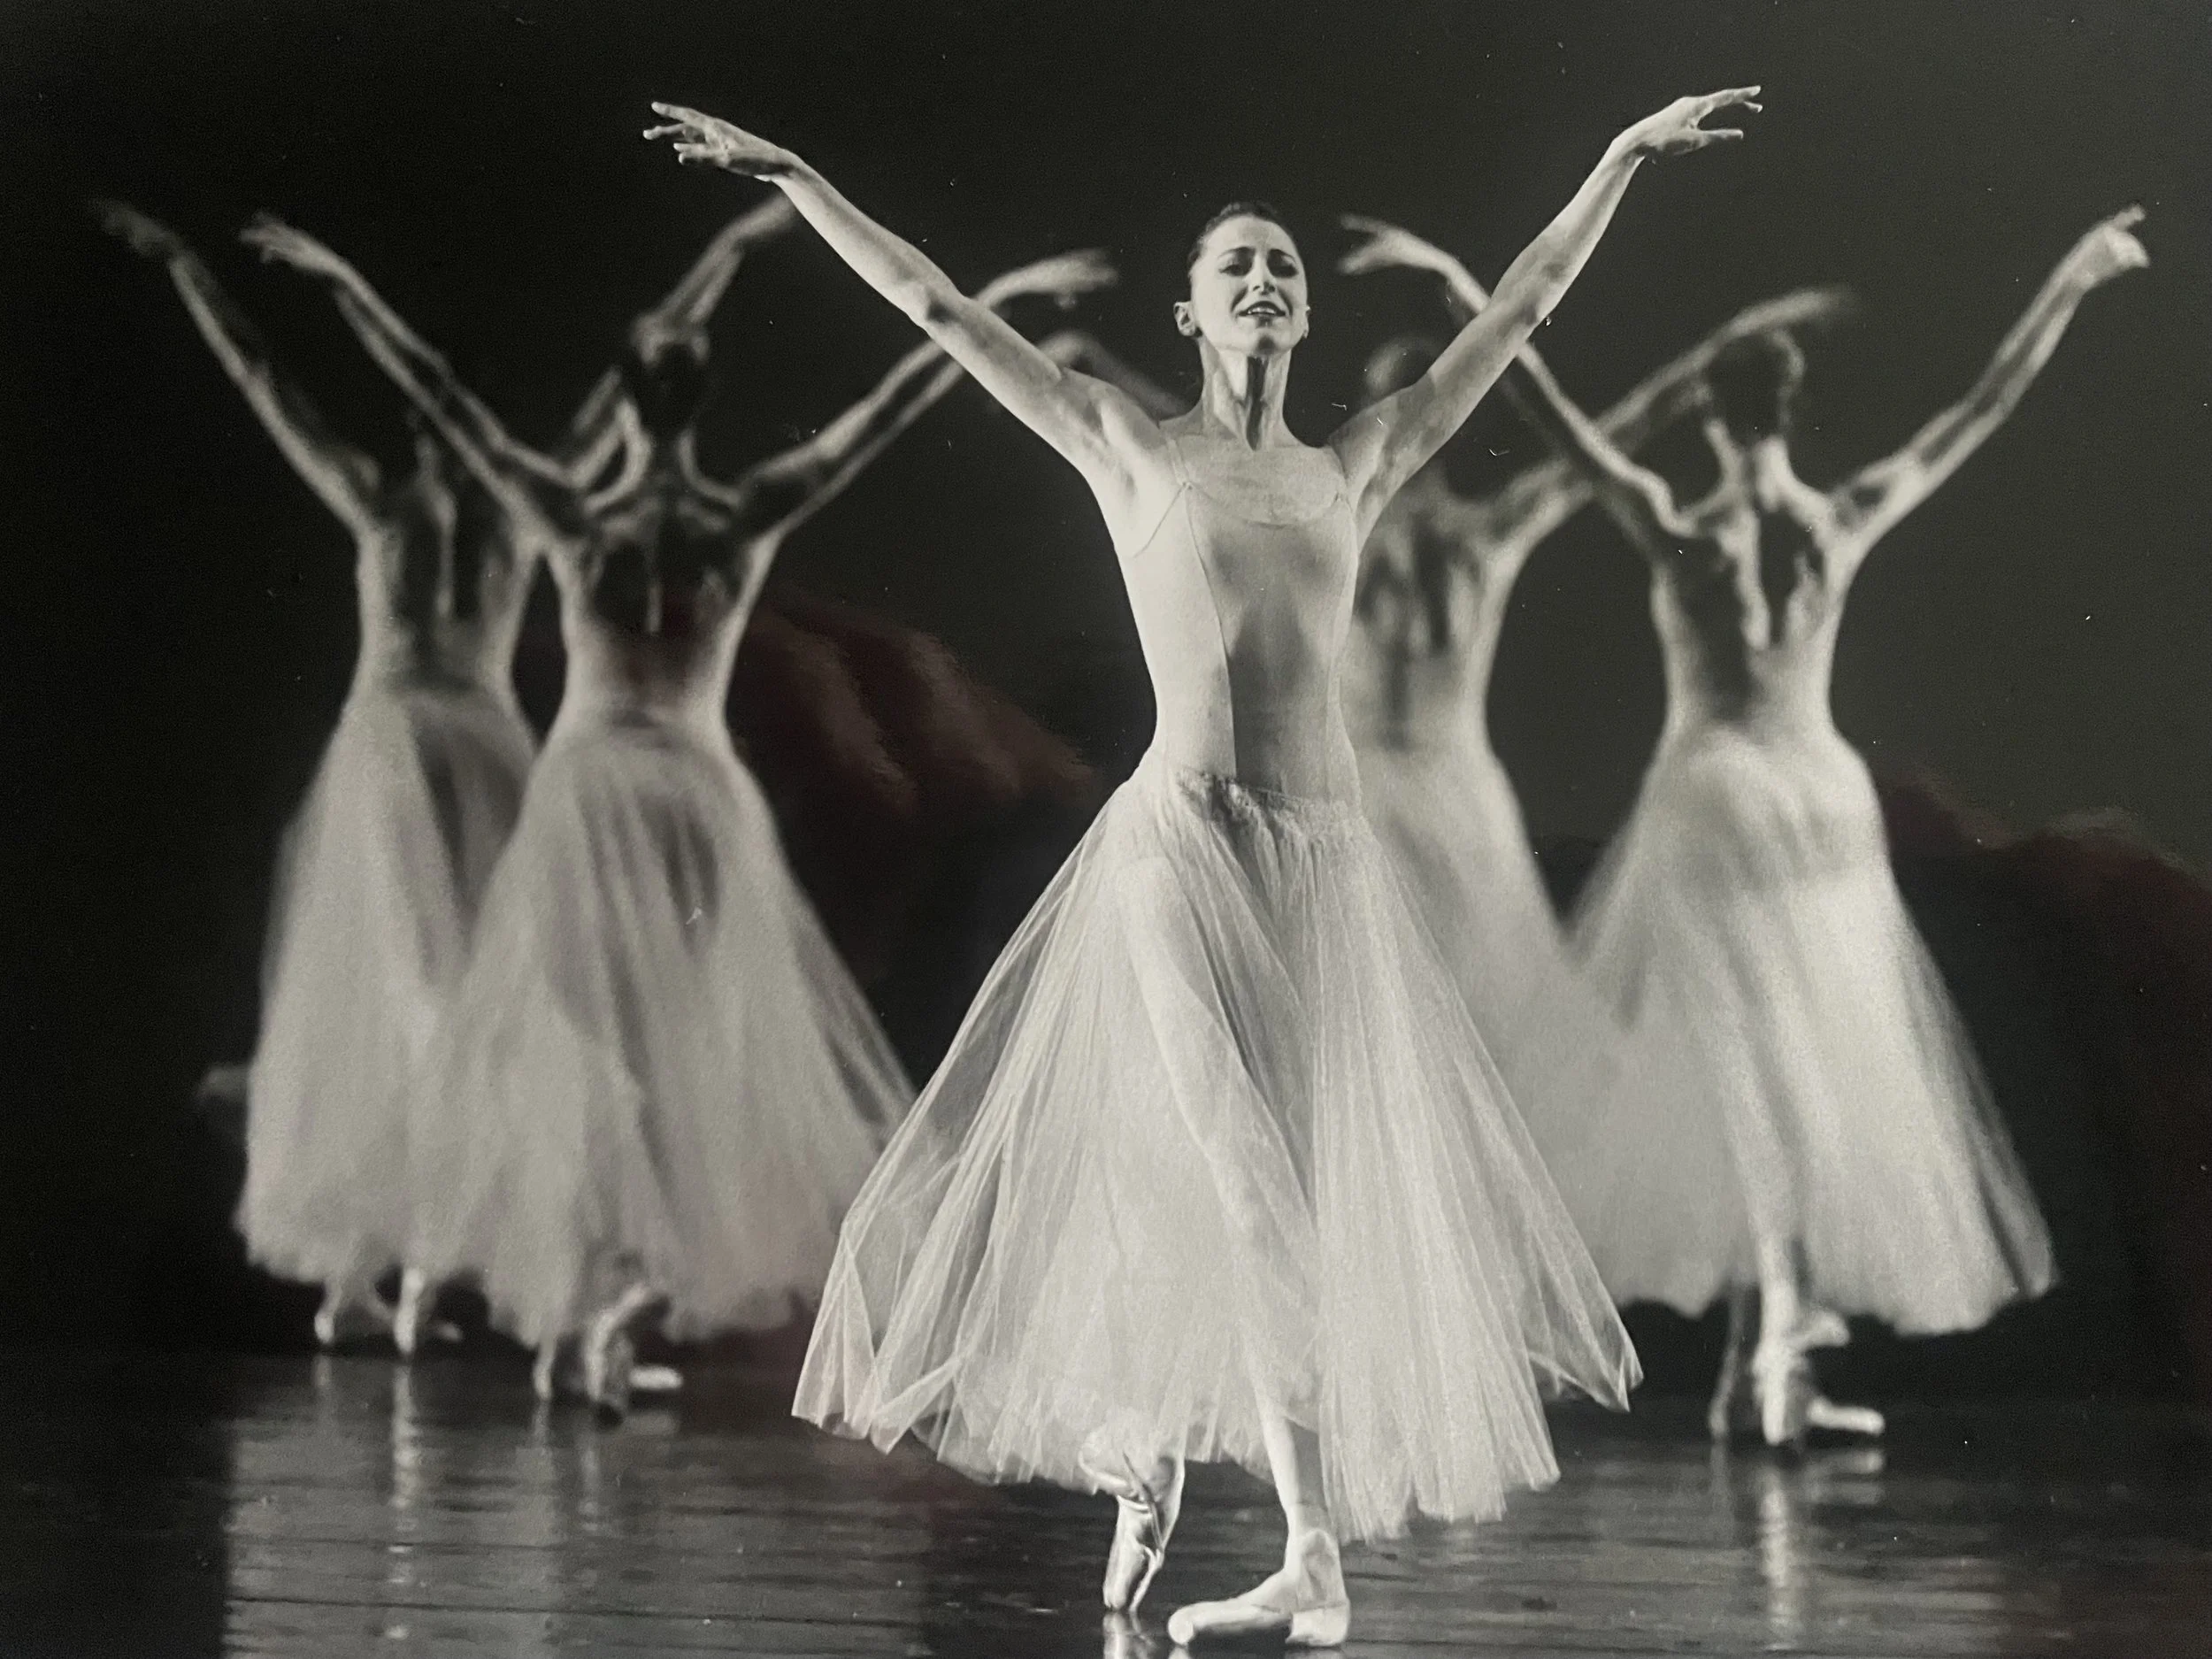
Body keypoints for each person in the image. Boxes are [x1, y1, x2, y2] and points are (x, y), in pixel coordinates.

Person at [647, 87, 1757, 1646]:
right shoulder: (1119, 443)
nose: (1266, 282)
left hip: (1325, 873)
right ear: (1189, 309)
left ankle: (1146, 1445)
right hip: (1177, 851)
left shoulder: (1358, 462)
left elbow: (1517, 311)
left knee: (1275, 1202)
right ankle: (1312, 1554)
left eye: (1284, 266)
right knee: (1243, 1185)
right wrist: (797, 173)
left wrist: (1619, 160)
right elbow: (936, 304)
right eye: (1238, 264)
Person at [251, 211, 1114, 1411]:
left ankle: (608, 1292)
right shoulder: (716, 512)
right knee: (646, 1057)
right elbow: (885, 407)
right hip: (651, 792)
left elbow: (442, 395)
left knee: (633, 1051)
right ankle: (604, 1293)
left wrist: (346, 278)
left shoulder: (590, 511)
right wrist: (1000, 287)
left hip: (625, 791)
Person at [1497, 207, 2148, 1448]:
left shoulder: (1676, 525)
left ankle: (1776, 1345)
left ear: (1712, 416)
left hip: (1724, 797)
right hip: (1820, 797)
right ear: (1789, 415)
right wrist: (2071, 277)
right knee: (1797, 1075)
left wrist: (1464, 297)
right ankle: (1768, 1364)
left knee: (1754, 1078)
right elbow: (1980, 409)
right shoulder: (1839, 517)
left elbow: (1553, 428)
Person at [104, 196, 798, 1354]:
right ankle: (401, 1263)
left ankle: (486, 1266)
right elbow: (266, 380)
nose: (441, 424)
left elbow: (627, 392)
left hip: (489, 747)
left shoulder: (532, 498)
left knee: (511, 1009)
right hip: (393, 748)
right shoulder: (376, 495)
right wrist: (187, 268)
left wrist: (721, 254)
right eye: (433, 410)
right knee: (428, 1009)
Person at [1334, 217, 1850, 1114]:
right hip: (1408, 792)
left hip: (1439, 792)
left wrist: (1730, 353)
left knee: (1468, 1032)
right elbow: (1623, 425)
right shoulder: (1410, 525)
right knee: (1382, 1021)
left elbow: (1615, 429)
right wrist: (1732, 353)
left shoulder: (1425, 527)